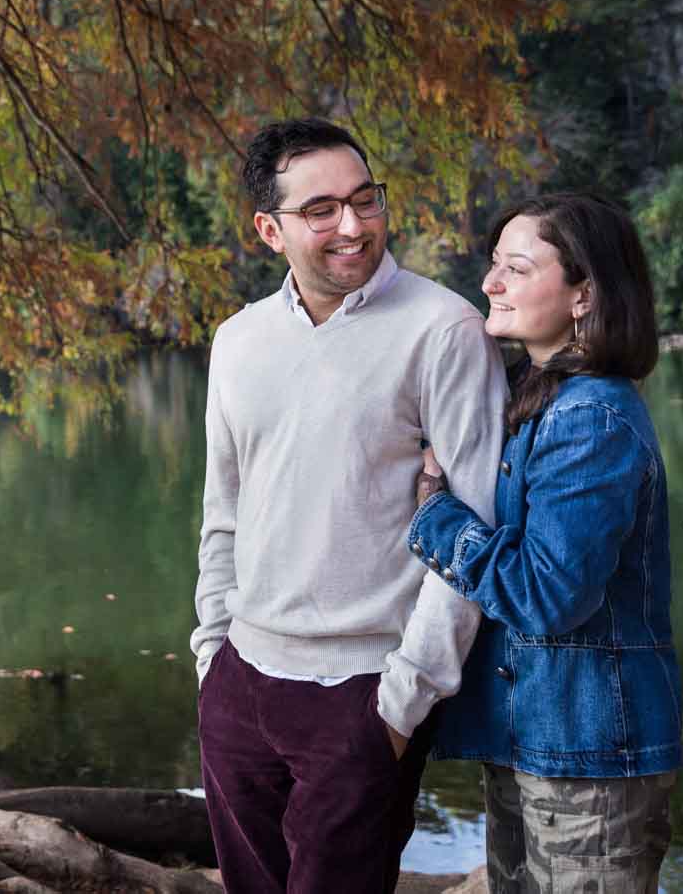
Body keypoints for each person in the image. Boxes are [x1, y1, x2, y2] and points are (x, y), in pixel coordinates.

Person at [191, 117, 507, 894]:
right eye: (322, 209)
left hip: (365, 690)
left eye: (365, 200)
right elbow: (223, 511)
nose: (353, 226)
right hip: (243, 684)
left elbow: (477, 524)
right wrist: (212, 658)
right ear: (269, 228)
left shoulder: (445, 329)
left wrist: (402, 703)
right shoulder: (238, 340)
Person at [408, 192, 682, 893]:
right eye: (494, 265)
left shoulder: (592, 418)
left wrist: (436, 515)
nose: (490, 283)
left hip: (589, 759)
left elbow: (545, 593)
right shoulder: (540, 398)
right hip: (534, 740)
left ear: (584, 293)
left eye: (517, 268)